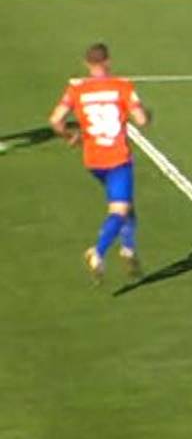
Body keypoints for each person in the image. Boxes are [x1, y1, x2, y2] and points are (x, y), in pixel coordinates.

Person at [47, 43, 150, 283]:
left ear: (87, 64)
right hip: (117, 159)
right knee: (119, 209)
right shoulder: (122, 87)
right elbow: (141, 120)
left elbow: (55, 120)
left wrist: (70, 136)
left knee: (126, 203)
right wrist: (146, 115)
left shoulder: (77, 89)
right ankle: (99, 251)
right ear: (108, 62)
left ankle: (128, 248)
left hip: (93, 160)